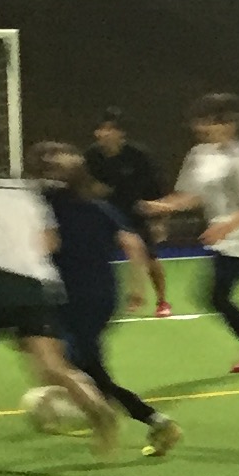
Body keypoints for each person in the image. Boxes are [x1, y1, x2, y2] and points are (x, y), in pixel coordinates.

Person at [0, 122, 117, 462]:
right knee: (52, 365)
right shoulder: (26, 188)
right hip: (37, 284)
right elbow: (51, 241)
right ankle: (98, 409)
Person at [37, 140, 180, 458]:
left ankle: (148, 420)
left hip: (74, 297)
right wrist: (137, 286)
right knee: (79, 363)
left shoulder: (49, 206)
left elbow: (45, 244)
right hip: (103, 295)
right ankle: (113, 414)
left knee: (81, 367)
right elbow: (133, 244)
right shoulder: (100, 207)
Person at [144, 91, 239, 373]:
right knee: (216, 295)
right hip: (221, 234)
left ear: (231, 124)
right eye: (201, 121)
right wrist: (162, 206)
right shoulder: (199, 154)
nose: (203, 127)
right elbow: (192, 195)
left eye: (212, 122)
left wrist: (226, 226)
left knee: (216, 295)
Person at [86, 110, 174, 316]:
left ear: (121, 133)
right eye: (100, 129)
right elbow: (85, 184)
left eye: (110, 129)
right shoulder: (91, 156)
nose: (104, 133)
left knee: (150, 258)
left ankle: (162, 301)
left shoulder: (138, 155)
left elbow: (155, 187)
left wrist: (159, 220)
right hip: (105, 214)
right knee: (93, 259)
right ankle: (99, 300)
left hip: (137, 212)